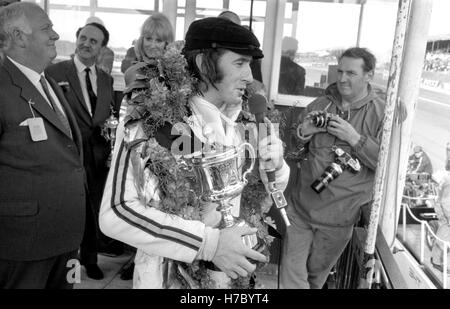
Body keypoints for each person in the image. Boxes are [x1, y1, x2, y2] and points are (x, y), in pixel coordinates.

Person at [99, 17, 290, 288]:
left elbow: (262, 192)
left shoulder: (248, 119)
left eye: (250, 64)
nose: (250, 76)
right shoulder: (153, 122)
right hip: (166, 278)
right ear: (203, 64)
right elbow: (116, 213)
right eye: (240, 63)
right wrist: (208, 245)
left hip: (233, 278)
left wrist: (278, 167)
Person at [280, 47, 385, 289]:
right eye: (340, 71)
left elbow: (386, 166)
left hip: (339, 219)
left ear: (369, 75)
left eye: (351, 73)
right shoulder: (321, 104)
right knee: (291, 278)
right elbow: (292, 152)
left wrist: (355, 139)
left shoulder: (382, 114)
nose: (343, 79)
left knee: (315, 278)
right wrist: (303, 133)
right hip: (301, 209)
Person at [0, 2, 85, 288]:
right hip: (22, 246)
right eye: (46, 28)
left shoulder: (47, 82)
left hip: (66, 239)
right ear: (19, 36)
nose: (55, 34)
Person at [46, 22, 117, 280]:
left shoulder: (107, 79)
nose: (86, 44)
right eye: (83, 38)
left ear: (101, 47)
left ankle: (90, 259)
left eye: (94, 41)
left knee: (93, 208)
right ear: (76, 39)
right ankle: (65, 264)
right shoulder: (54, 71)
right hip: (68, 152)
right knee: (69, 210)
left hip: (98, 156)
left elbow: (107, 116)